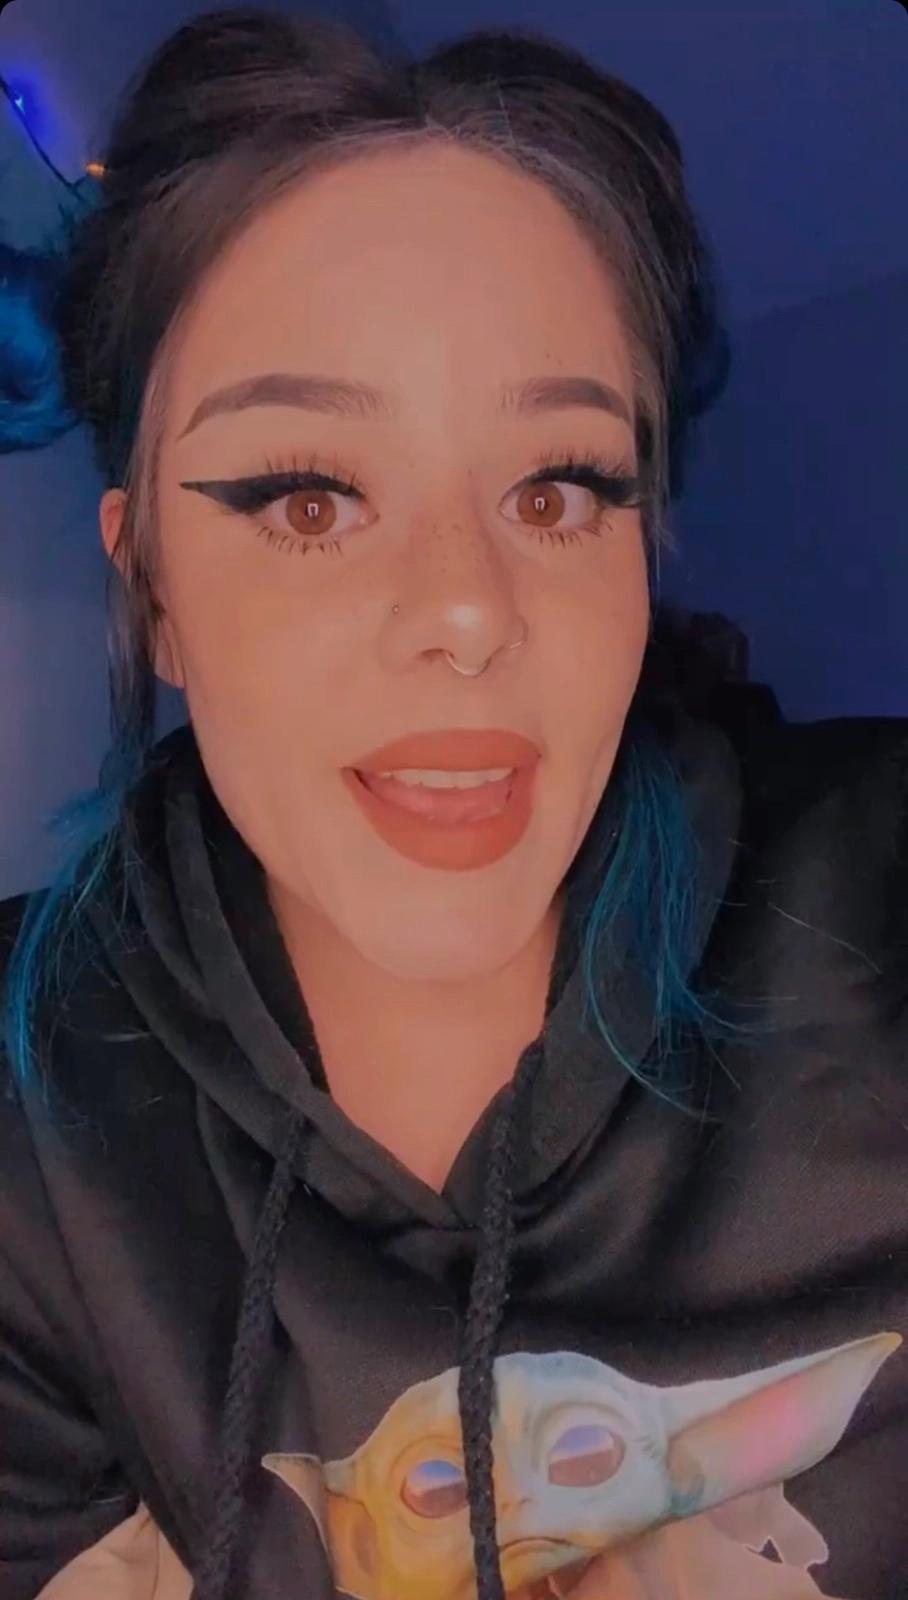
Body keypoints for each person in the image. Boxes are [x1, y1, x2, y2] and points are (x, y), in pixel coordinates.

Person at [1, 8, 906, 1599]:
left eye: (556, 490)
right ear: (148, 585)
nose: (468, 610)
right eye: (309, 498)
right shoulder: (30, 1140)